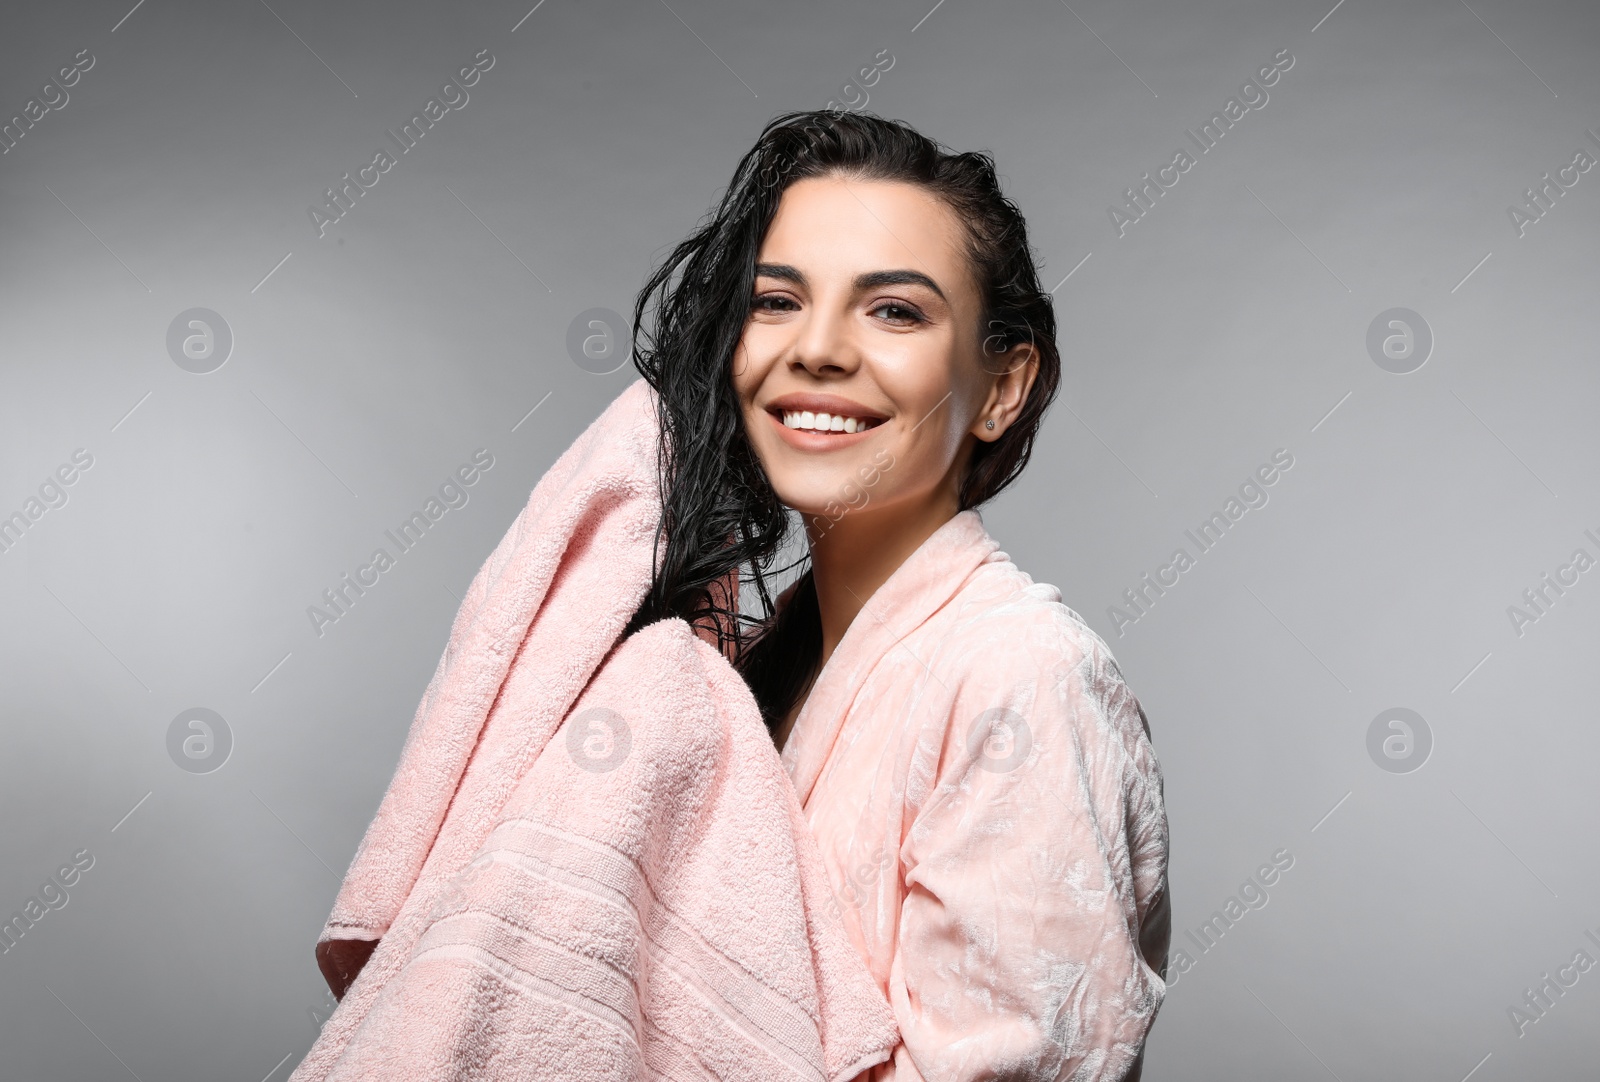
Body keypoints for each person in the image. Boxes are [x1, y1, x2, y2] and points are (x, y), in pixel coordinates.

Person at [621, 110, 1171, 1081]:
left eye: (895, 310)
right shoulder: (743, 669)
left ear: (1002, 385)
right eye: (777, 300)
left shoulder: (1018, 670)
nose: (819, 349)